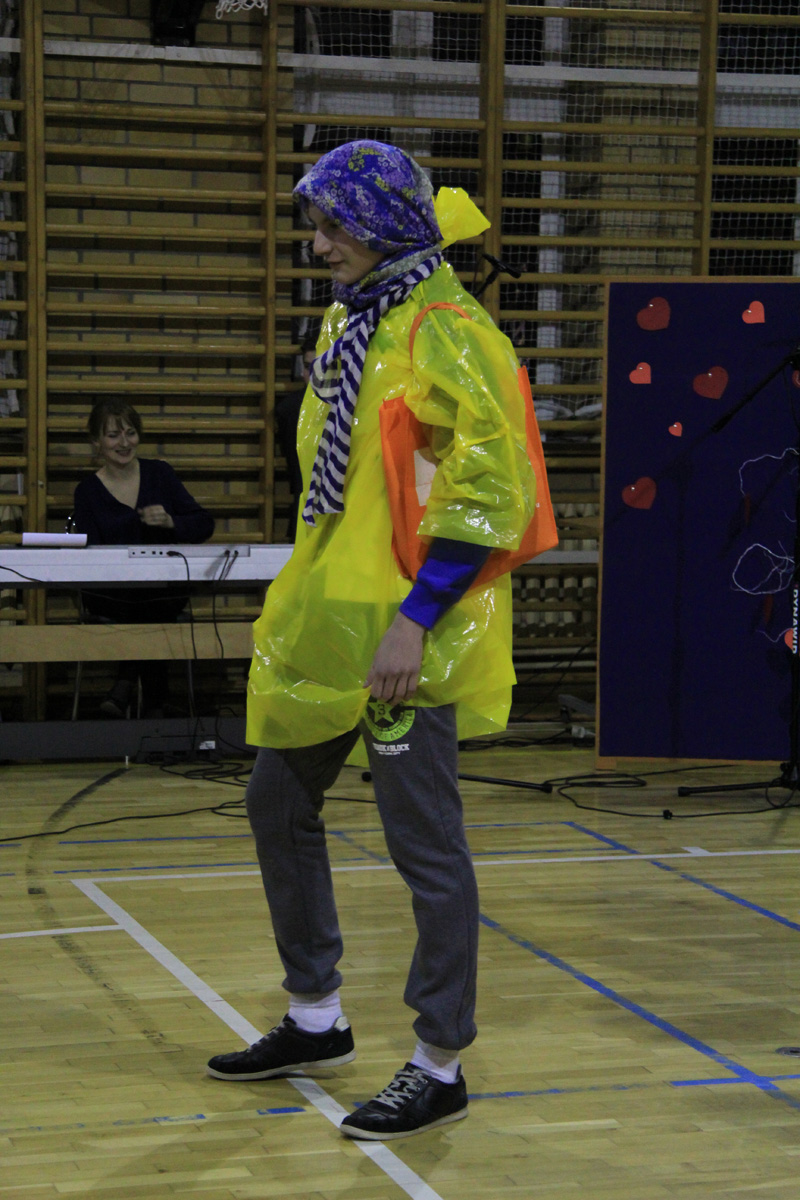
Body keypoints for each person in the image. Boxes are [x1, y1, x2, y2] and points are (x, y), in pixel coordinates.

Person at [206, 141, 549, 1140]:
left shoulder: (452, 331)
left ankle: (439, 1062)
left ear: (384, 226)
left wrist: (413, 622)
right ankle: (316, 1017)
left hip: (409, 635)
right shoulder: (356, 316)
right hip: (332, 617)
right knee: (277, 800)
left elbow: (491, 493)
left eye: (333, 227)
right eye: (314, 227)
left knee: (423, 848)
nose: (317, 246)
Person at [72, 398, 215, 717]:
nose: (124, 443)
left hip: (163, 587)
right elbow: (90, 553)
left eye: (130, 433)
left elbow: (204, 524)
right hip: (112, 592)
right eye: (113, 435)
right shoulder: (87, 491)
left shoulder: (160, 474)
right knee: (148, 609)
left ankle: (126, 683)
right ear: (96, 442)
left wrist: (171, 521)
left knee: (153, 601)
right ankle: (155, 705)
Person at [274, 335, 317, 540]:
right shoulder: (290, 410)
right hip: (306, 516)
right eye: (306, 366)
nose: (303, 374)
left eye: (310, 367)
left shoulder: (356, 408)